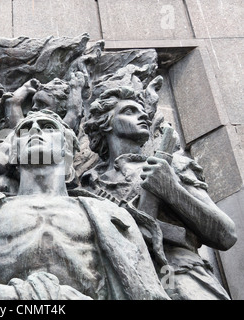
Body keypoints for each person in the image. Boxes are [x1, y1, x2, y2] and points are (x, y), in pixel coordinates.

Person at [0, 110, 170, 300]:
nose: (34, 131)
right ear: (13, 153)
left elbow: (145, 292)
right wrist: (33, 298)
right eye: (25, 129)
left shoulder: (110, 215)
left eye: (47, 127)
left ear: (68, 152)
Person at [81, 86, 237, 299]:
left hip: (175, 274)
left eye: (142, 111)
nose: (142, 115)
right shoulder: (89, 186)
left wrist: (171, 189)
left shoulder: (174, 166)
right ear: (105, 123)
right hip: (118, 284)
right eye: (129, 111)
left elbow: (225, 234)